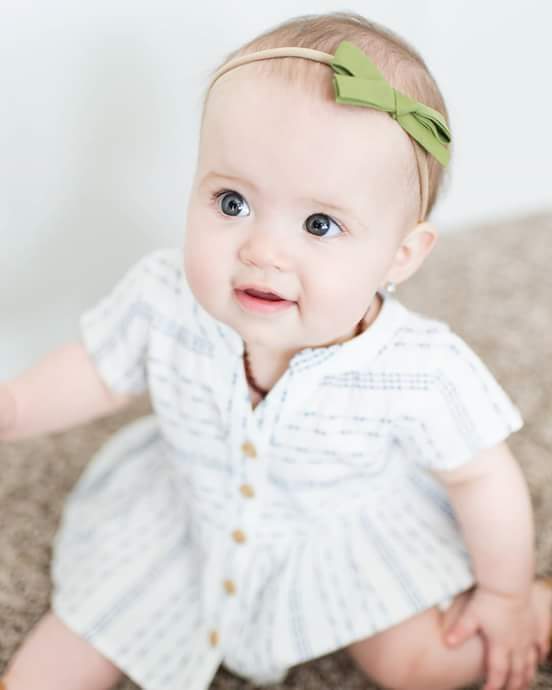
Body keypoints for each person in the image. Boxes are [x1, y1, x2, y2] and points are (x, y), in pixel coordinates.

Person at [0, 11, 550, 690]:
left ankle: (540, 604)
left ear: (401, 255)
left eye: (320, 223)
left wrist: (505, 594)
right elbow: (98, 370)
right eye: (232, 202)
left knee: (429, 666)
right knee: (60, 655)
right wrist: (16, 405)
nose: (262, 251)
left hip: (336, 534)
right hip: (187, 516)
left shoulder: (420, 369)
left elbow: (481, 478)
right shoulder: (163, 296)